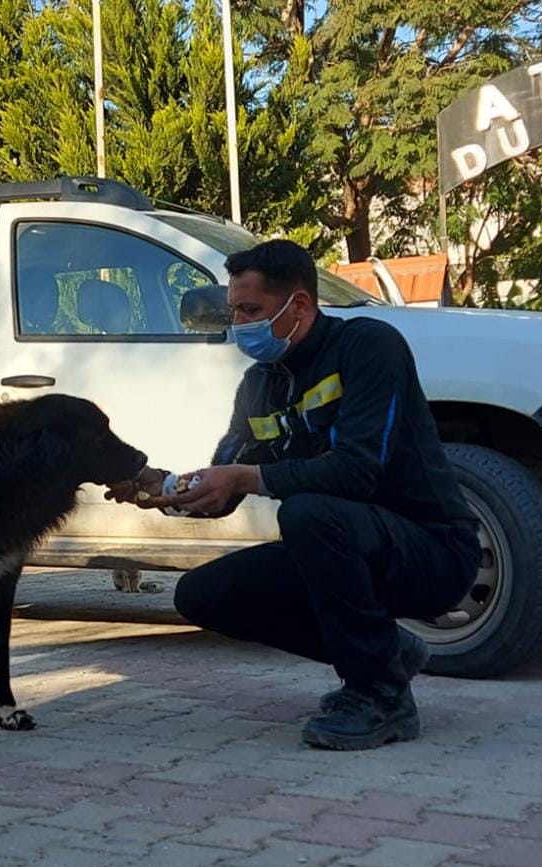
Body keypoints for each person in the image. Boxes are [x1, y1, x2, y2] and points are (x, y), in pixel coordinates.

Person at [109, 239, 480, 751]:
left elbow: (358, 472)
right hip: (335, 545)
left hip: (431, 552)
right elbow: (224, 482)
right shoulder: (258, 385)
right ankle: (387, 652)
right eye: (234, 311)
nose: (239, 324)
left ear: (299, 305)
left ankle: (380, 696)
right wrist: (160, 485)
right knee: (203, 595)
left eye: (250, 310)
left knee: (308, 515)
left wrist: (245, 479)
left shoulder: (368, 347)